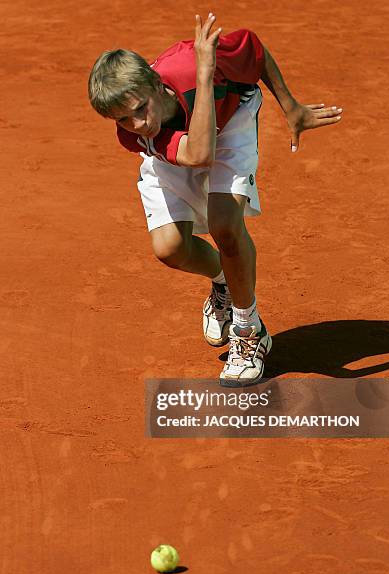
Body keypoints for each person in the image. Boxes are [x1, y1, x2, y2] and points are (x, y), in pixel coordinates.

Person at [88, 13, 342, 386]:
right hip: (188, 143)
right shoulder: (136, 135)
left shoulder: (192, 64)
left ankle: (247, 332)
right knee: (170, 248)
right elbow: (198, 155)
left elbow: (253, 50)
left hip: (232, 119)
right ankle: (224, 281)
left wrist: (290, 105)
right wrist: (206, 77)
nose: (138, 124)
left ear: (157, 85)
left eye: (141, 109)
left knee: (225, 224)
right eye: (124, 119)